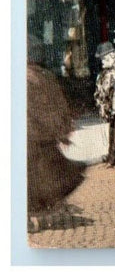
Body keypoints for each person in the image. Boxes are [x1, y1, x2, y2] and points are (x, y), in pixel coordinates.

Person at [28, 61, 86, 215]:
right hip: (38, 134)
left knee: (41, 172)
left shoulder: (34, 78)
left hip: (36, 135)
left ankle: (39, 208)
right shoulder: (41, 77)